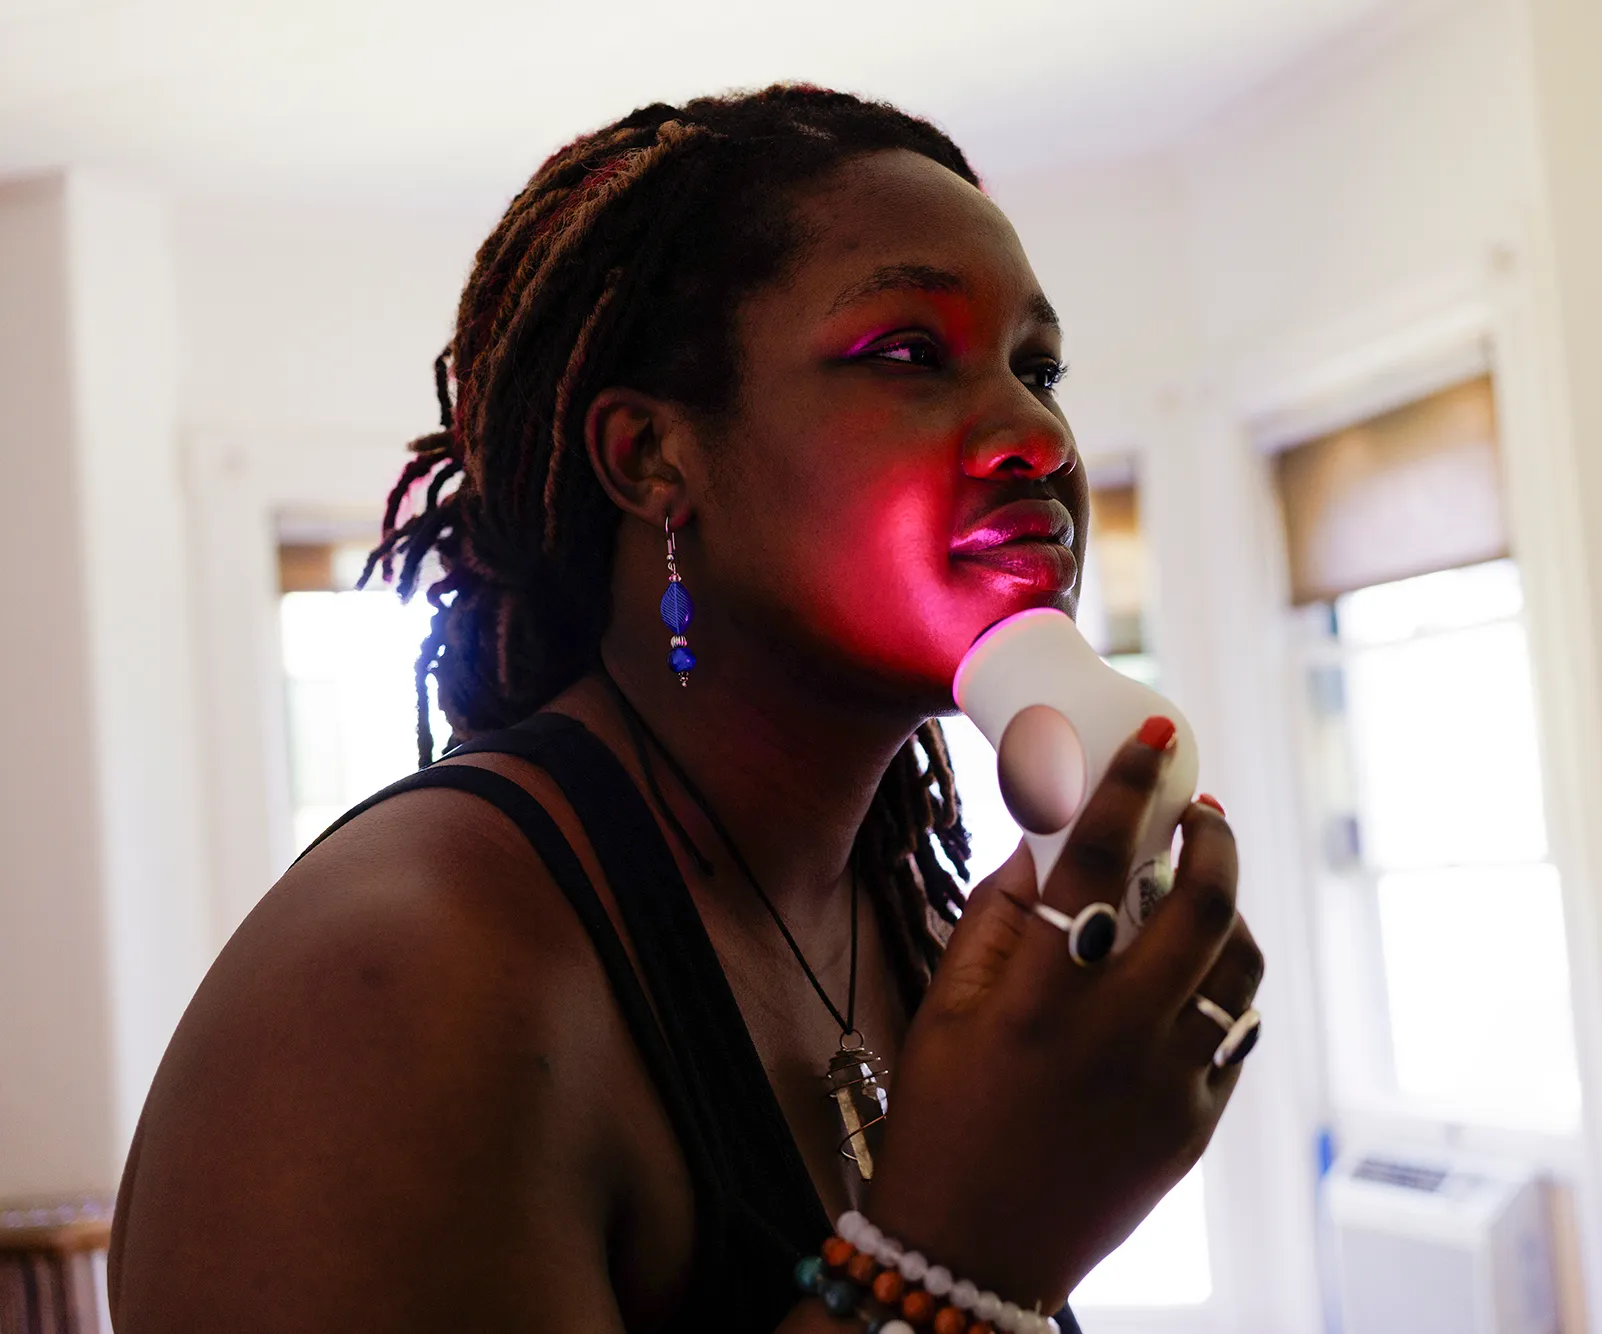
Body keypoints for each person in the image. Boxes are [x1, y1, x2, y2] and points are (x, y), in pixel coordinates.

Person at [107, 87, 1263, 1333]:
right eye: (908, 352)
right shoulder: (395, 988)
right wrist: (960, 1254)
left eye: (1037, 368)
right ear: (651, 457)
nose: (1037, 434)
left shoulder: (922, 930)